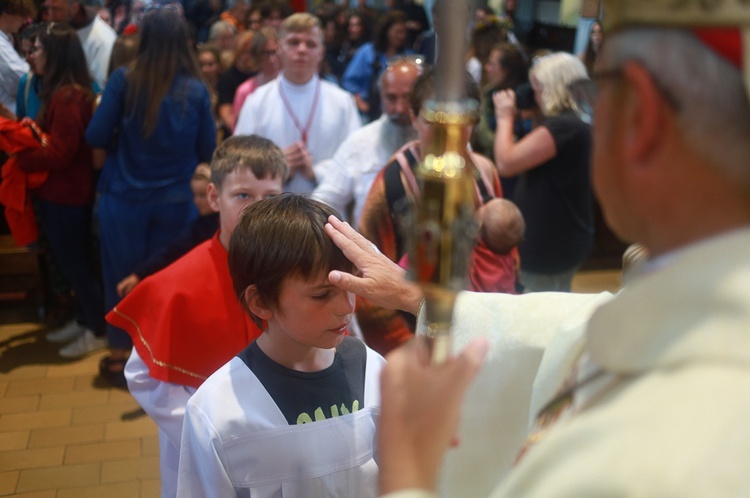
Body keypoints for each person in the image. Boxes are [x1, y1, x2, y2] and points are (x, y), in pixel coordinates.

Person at [324, 1, 750, 496]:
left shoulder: (637, 457)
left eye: (597, 91)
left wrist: (409, 472)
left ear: (641, 117)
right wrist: (416, 297)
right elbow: (583, 324)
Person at [110, 135, 286, 498]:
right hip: (204, 454)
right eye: (242, 195)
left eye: (270, 197)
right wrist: (216, 438)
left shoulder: (297, 276)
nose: (256, 209)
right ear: (212, 197)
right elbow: (143, 373)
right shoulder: (173, 286)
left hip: (284, 447)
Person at [177, 194, 386, 497]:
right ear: (261, 302)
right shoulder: (218, 409)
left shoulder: (372, 370)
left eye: (350, 284)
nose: (346, 307)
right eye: (322, 295)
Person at [86, 7, 216, 386]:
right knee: (165, 279)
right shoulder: (195, 91)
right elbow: (208, 149)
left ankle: (118, 357)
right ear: (183, 42)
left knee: (121, 277)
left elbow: (95, 136)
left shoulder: (123, 80)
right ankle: (162, 358)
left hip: (124, 198)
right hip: (177, 202)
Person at [356, 68, 516, 355]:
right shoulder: (392, 184)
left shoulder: (484, 169)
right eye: (435, 117)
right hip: (421, 341)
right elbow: (370, 284)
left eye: (459, 118)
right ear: (414, 117)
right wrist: (409, 353)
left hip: (489, 331)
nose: (447, 131)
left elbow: (506, 251)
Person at [12, 24, 107, 359]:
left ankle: (95, 329)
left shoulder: (68, 97)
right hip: (61, 195)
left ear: (55, 54)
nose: (31, 57)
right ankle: (84, 320)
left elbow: (60, 154)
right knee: (71, 266)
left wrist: (20, 157)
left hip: (67, 196)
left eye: (36, 50)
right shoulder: (63, 91)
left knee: (76, 266)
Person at [493, 52, 594, 292]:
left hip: (549, 244)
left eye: (538, 88)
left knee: (537, 312)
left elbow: (506, 162)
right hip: (565, 236)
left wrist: (505, 117)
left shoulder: (564, 127)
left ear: (553, 88)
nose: (534, 95)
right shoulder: (578, 121)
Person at [235, 13, 360, 195]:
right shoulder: (257, 101)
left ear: (321, 52)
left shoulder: (342, 101)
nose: (302, 49)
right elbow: (239, 160)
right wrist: (276, 166)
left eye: (311, 44)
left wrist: (317, 172)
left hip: (325, 212)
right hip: (270, 213)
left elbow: (354, 159)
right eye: (294, 42)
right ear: (279, 48)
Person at [312, 56, 421, 227]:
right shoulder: (361, 142)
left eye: (407, 98)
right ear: (381, 97)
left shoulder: (446, 141)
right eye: (391, 98)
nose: (399, 108)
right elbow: (323, 202)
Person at [114, 163, 219, 298]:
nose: (197, 201)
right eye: (195, 195)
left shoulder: (223, 225)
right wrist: (139, 274)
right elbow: (171, 251)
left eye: (202, 195)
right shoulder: (199, 227)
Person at [342, 10, 412, 122]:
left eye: (404, 32)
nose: (401, 36)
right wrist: (360, 102)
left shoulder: (408, 56)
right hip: (369, 112)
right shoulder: (367, 52)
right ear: (386, 31)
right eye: (398, 32)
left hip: (398, 113)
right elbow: (349, 81)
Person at [43, 0, 117, 89]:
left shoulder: (103, 39)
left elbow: (102, 87)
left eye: (56, 9)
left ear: (75, 8)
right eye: (48, 8)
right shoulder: (55, 28)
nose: (50, 15)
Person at [231, 27, 280, 129]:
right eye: (265, 53)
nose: (271, 59)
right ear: (256, 55)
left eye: (275, 52)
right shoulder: (244, 90)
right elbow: (238, 130)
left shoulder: (292, 85)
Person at [0, 0, 32, 114]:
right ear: (7, 14)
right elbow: (20, 77)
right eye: (21, 15)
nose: (24, 21)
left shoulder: (6, 38)